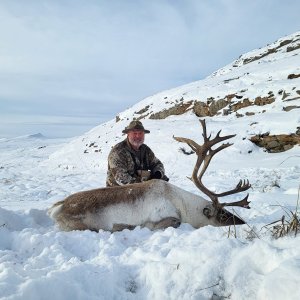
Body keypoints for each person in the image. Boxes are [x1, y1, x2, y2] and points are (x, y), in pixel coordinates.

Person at [106, 120, 168, 186]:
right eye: (134, 133)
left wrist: (157, 175)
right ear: (128, 134)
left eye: (140, 133)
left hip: (143, 188)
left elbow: (157, 164)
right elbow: (122, 178)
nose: (138, 136)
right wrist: (145, 185)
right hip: (119, 191)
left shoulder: (146, 150)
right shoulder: (118, 151)